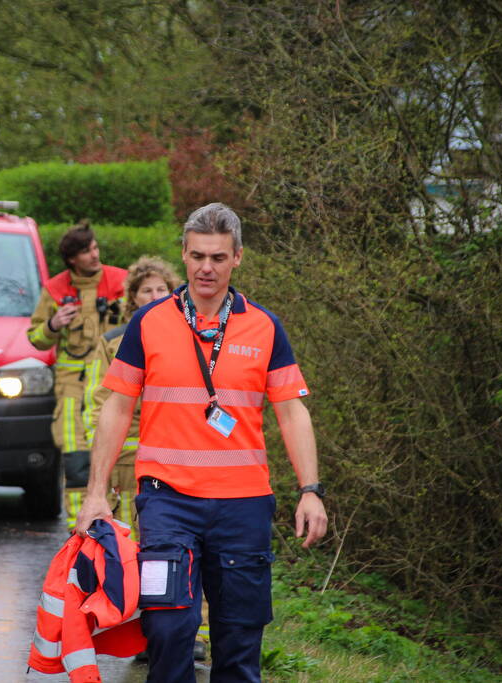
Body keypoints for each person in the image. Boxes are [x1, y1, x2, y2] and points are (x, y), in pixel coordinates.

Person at [75, 203, 328, 682]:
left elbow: (292, 412)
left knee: (239, 639)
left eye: (217, 257)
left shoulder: (265, 327)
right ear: (184, 255)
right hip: (167, 501)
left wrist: (310, 490)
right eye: (197, 256)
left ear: (238, 258)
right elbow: (117, 407)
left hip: (243, 506)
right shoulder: (149, 322)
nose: (206, 268)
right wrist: (95, 494)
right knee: (168, 627)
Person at [27, 221, 127, 529]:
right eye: (86, 251)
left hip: (114, 385)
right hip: (72, 390)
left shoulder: (121, 280)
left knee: (118, 455)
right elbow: (35, 338)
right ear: (72, 259)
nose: (94, 255)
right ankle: (78, 529)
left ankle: (117, 526)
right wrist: (54, 324)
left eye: (95, 248)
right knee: (76, 460)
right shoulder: (56, 290)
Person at [83, 255, 181, 539]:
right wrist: (101, 454)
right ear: (133, 298)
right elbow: (97, 402)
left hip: (173, 460)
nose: (154, 296)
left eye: (161, 289)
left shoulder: (188, 338)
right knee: (128, 540)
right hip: (126, 463)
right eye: (146, 290)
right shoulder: (113, 341)